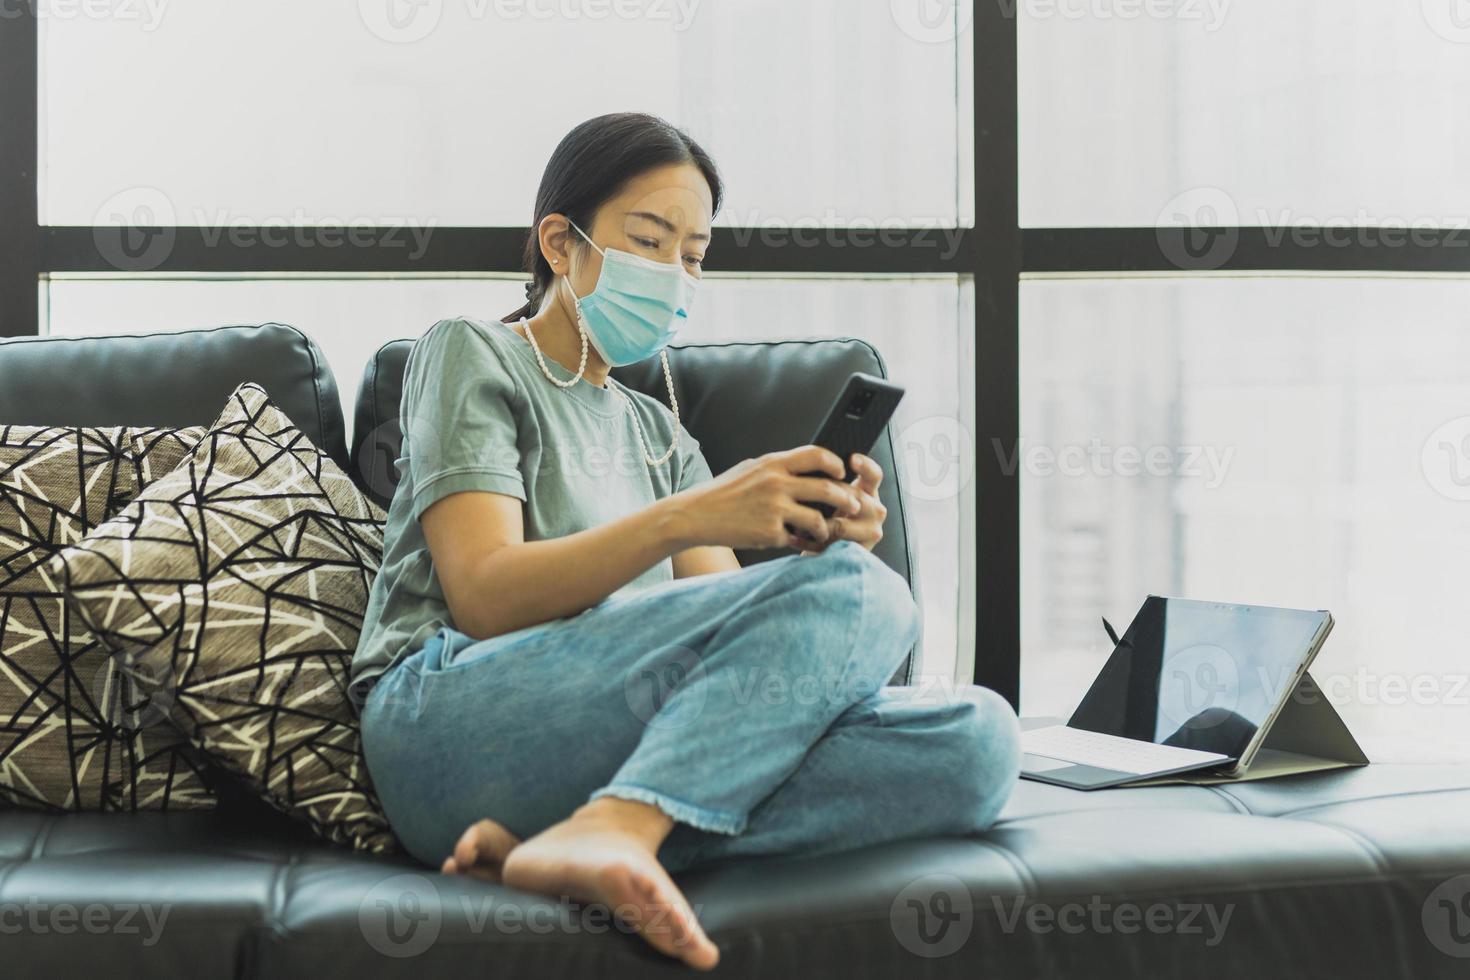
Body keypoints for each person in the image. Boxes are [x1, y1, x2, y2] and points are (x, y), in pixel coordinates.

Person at [352, 112, 1021, 970]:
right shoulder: (471, 355)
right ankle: (618, 828)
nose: (673, 274)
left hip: (606, 740)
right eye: (649, 239)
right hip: (449, 720)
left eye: (694, 255)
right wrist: (694, 516)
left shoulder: (660, 435)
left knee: (977, 741)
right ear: (561, 242)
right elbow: (485, 596)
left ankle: (576, 840)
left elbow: (730, 645)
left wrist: (813, 547)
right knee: (863, 588)